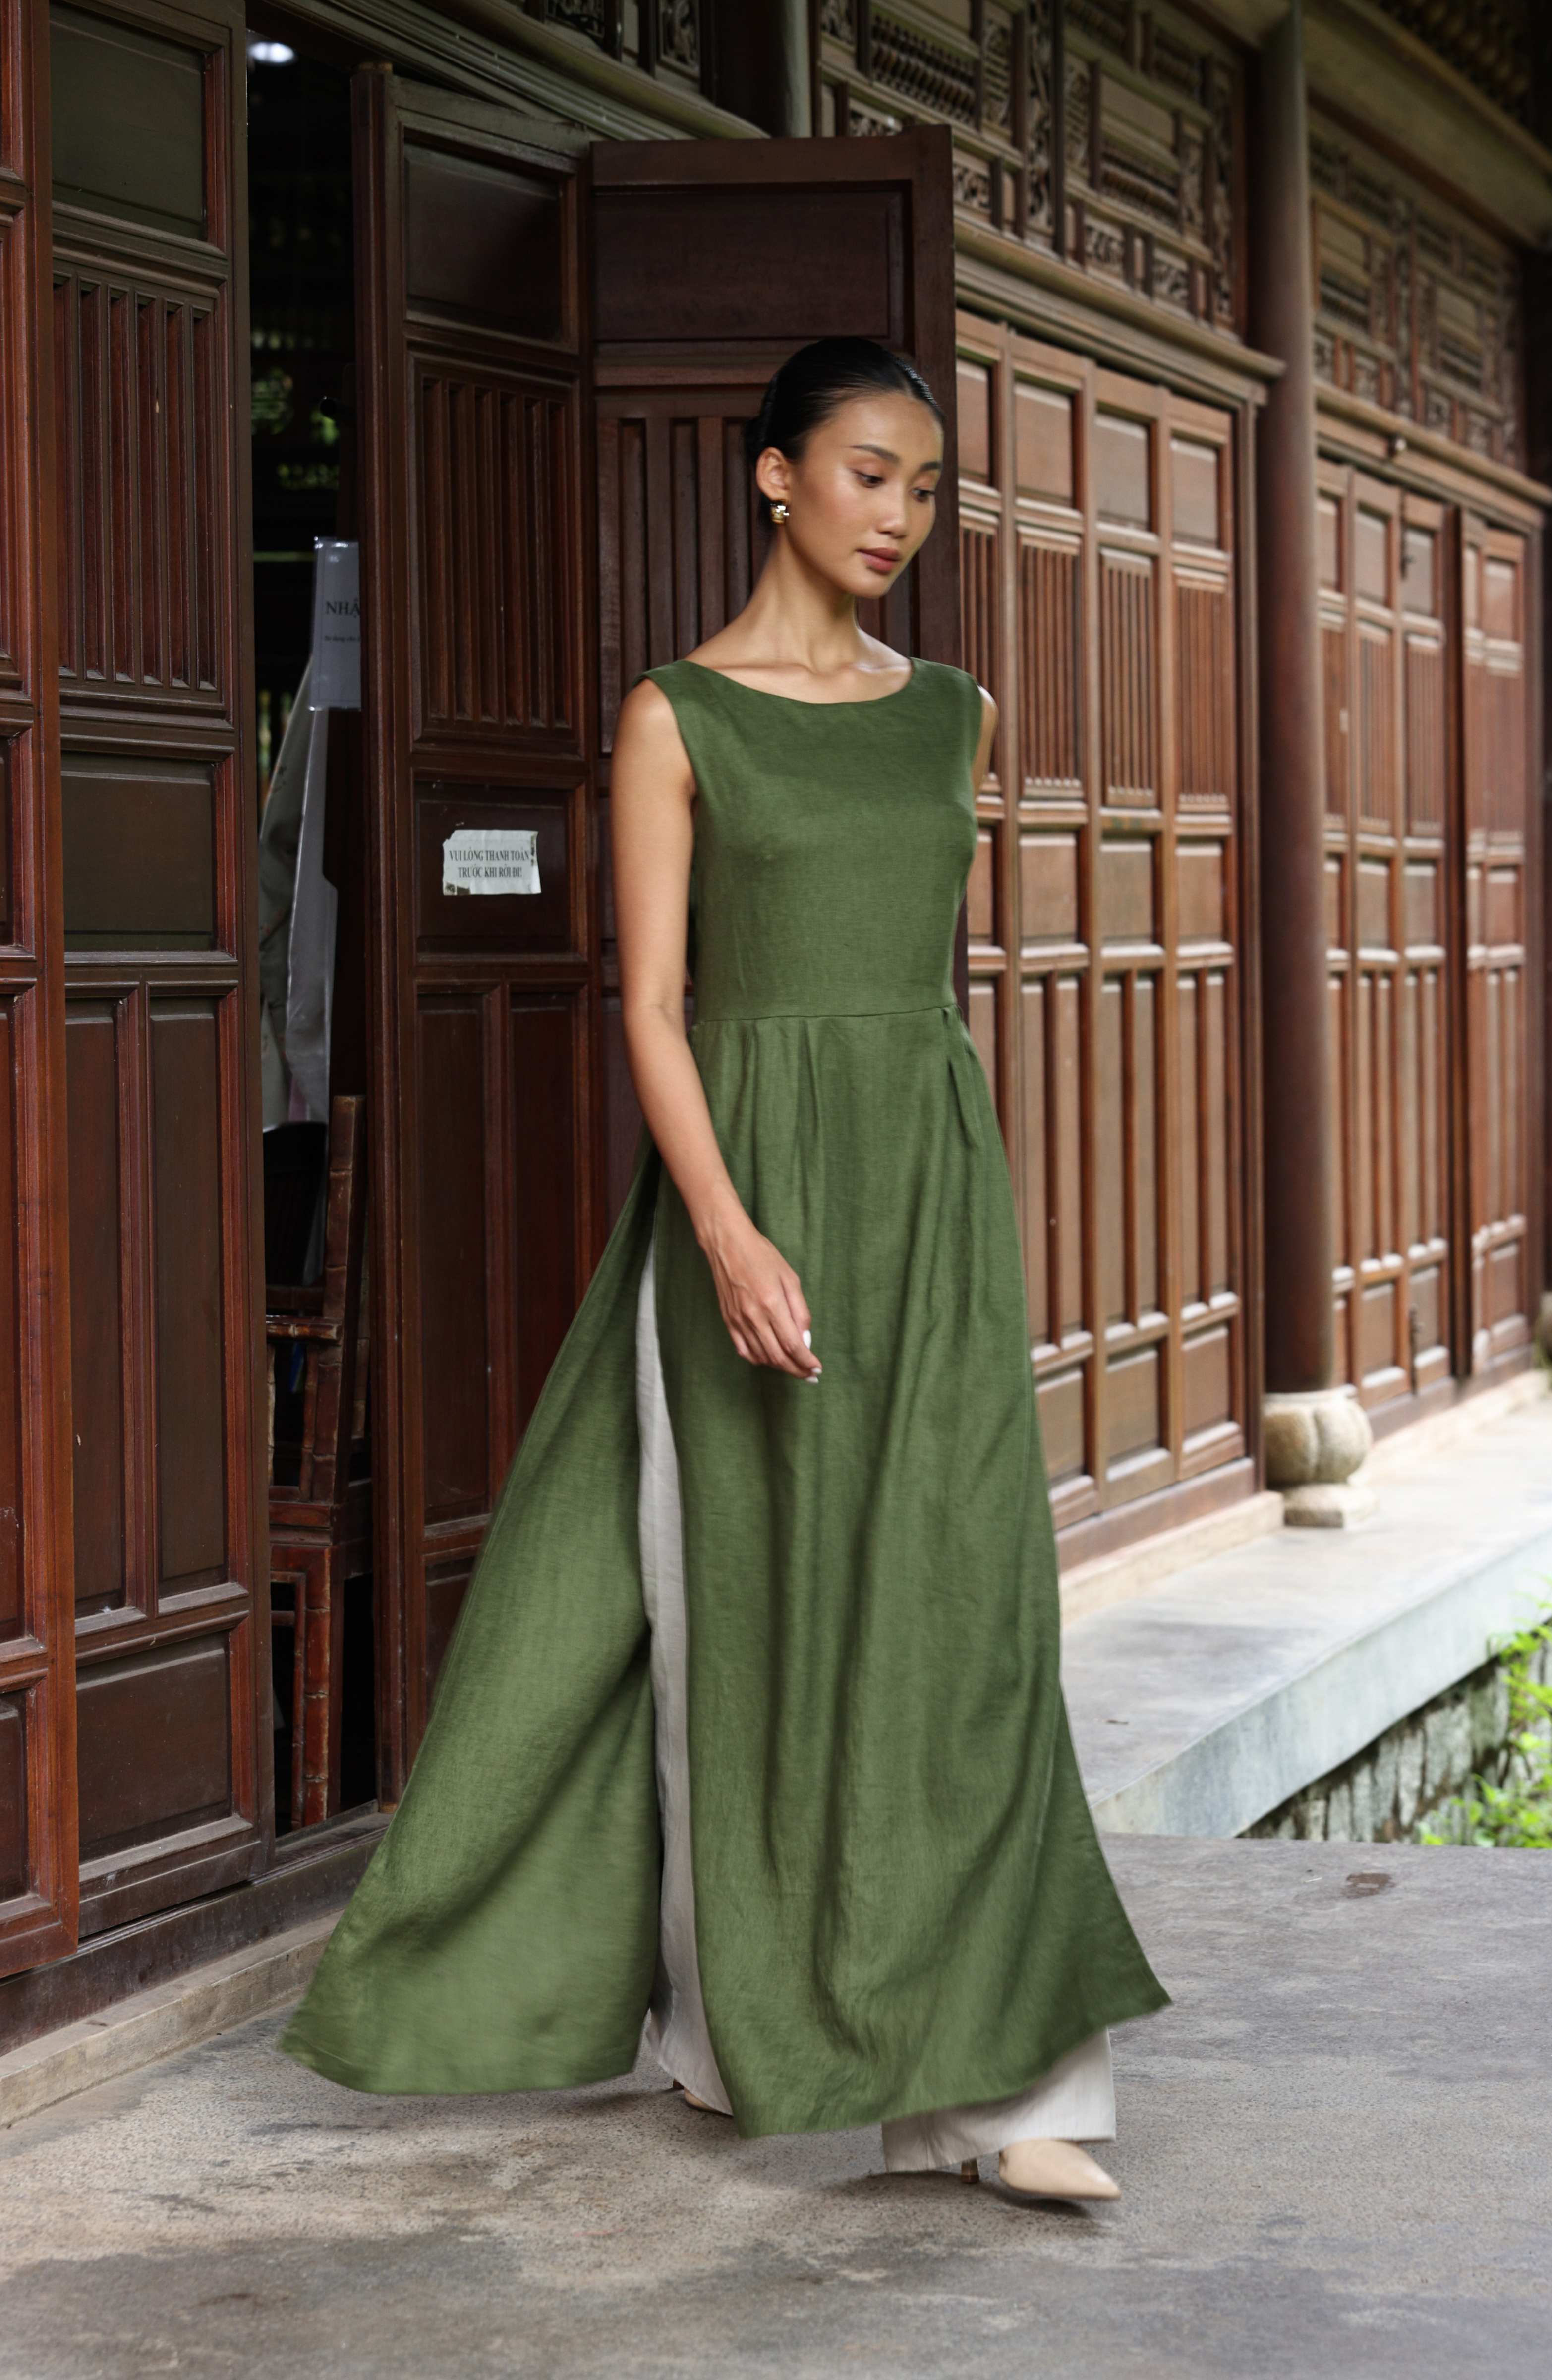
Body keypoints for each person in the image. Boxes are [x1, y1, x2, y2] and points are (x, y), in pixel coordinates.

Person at [279, 336, 1168, 2203]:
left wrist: (926, 1179)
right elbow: (660, 1006)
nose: (900, 518)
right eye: (867, 474)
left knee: (963, 1611)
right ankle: (712, 2015)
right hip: (742, 1195)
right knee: (733, 1619)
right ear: (774, 475)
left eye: (926, 488)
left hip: (925, 1185)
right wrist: (732, 1228)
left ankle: (1006, 2098)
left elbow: (913, 987)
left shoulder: (956, 712)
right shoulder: (675, 715)